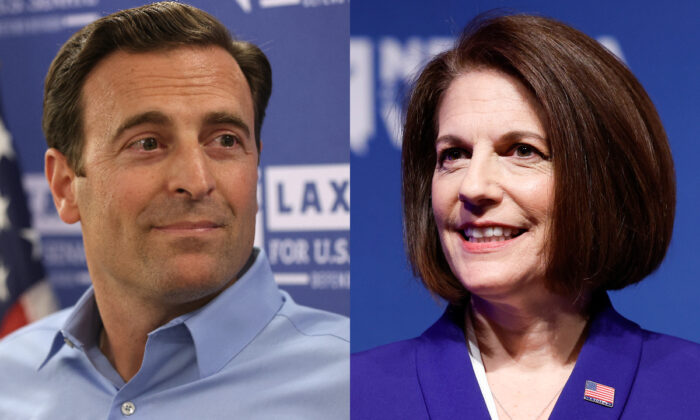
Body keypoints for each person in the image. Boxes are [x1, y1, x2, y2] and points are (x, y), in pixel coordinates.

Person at [0, 2, 348, 419]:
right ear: (65, 187)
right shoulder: (9, 376)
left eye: (225, 140)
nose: (197, 180)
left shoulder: (355, 386)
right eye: (147, 143)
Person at [352, 13, 700, 419]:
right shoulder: (354, 393)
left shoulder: (687, 387)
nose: (473, 187)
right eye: (455, 155)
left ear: (602, 181)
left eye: (521, 151)